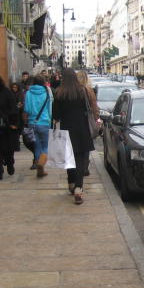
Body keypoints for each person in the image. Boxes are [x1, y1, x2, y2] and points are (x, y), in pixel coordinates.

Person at [53, 68, 95, 205]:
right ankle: (78, 189)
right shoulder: (82, 91)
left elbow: (56, 115)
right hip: (82, 129)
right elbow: (88, 109)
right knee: (80, 159)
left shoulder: (59, 93)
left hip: (66, 130)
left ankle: (71, 183)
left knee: (69, 158)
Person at [23, 74, 53, 178]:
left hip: (32, 122)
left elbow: (26, 109)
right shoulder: (47, 92)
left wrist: (26, 121)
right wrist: (50, 120)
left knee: (37, 145)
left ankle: (38, 165)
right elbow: (50, 108)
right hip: (44, 122)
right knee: (45, 146)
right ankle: (41, 164)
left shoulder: (28, 93)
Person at [76, 70, 100, 177]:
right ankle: (85, 167)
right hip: (87, 122)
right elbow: (94, 107)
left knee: (77, 145)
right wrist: (97, 119)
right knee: (86, 145)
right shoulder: (89, 90)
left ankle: (78, 166)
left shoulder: (74, 90)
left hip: (76, 122)